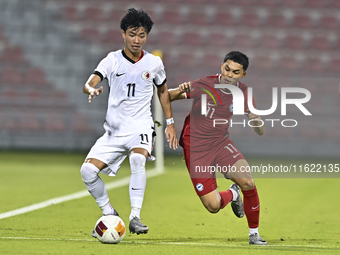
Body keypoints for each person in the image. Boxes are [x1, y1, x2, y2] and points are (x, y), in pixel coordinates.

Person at [80, 8, 178, 236]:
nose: (137, 40)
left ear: (147, 36)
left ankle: (135, 216)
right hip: (114, 131)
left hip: (141, 127)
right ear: (123, 33)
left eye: (142, 35)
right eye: (132, 34)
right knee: (87, 171)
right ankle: (110, 214)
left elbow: (163, 92)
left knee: (137, 159)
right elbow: (90, 82)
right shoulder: (112, 60)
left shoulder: (154, 63)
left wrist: (170, 122)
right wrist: (90, 89)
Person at [169, 51, 267, 245]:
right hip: (196, 147)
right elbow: (166, 95)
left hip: (220, 143)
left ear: (243, 75)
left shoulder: (245, 92)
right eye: (227, 69)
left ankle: (254, 233)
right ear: (222, 66)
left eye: (235, 72)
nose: (229, 75)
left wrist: (256, 120)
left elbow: (260, 131)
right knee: (213, 206)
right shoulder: (204, 85)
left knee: (247, 181)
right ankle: (233, 194)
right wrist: (180, 91)